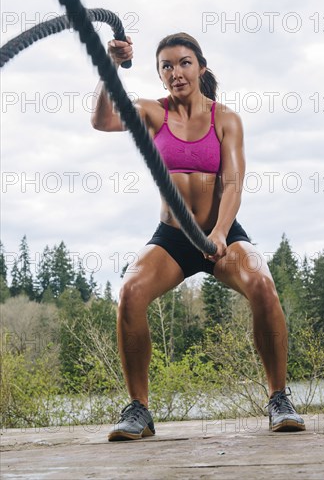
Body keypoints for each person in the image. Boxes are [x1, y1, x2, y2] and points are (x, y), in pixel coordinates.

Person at [91, 32, 305, 441]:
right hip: (173, 237)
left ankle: (279, 398)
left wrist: (222, 232)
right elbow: (101, 120)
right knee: (130, 291)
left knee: (262, 283)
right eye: (166, 66)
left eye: (184, 62)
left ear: (200, 67)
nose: (176, 72)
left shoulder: (225, 118)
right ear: (159, 75)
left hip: (220, 233)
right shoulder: (153, 113)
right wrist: (111, 63)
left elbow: (234, 181)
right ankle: (139, 409)